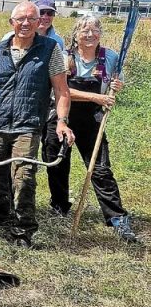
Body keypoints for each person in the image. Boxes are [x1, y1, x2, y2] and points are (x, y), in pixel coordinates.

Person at [0, 1, 75, 248]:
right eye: (20, 19)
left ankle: (23, 230)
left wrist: (61, 122)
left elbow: (62, 90)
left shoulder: (50, 49)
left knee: (23, 177)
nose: (26, 23)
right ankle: (0, 220)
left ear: (38, 22)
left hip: (28, 124)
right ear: (11, 22)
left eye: (31, 19)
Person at [43, 15, 138, 242]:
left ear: (100, 33)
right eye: (84, 30)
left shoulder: (110, 57)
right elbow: (60, 90)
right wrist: (96, 96)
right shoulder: (63, 57)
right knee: (56, 163)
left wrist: (117, 86)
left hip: (91, 119)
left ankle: (117, 217)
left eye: (94, 30)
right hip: (60, 115)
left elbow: (113, 87)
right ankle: (59, 207)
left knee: (100, 168)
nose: (90, 34)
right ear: (75, 34)